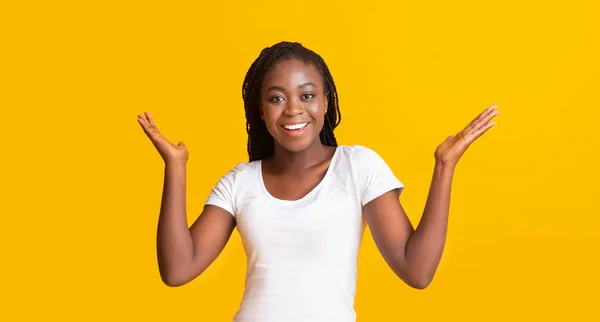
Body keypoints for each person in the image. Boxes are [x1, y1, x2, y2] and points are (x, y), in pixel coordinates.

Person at [137, 41, 499, 322]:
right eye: (276, 98)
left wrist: (444, 165)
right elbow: (177, 269)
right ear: (260, 111)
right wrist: (176, 166)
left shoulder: (357, 167)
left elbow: (416, 270)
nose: (293, 109)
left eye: (307, 95)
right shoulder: (240, 182)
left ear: (326, 101)